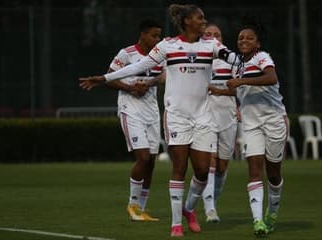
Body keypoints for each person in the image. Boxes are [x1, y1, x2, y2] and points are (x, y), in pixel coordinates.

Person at [79, 4, 242, 237]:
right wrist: (103, 78)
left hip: (203, 116)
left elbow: (232, 58)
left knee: (204, 171)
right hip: (176, 117)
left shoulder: (211, 45)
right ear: (187, 21)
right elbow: (137, 66)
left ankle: (188, 210)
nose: (204, 21)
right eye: (200, 18)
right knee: (178, 168)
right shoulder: (168, 45)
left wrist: (245, 64)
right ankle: (176, 225)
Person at [82, 19, 163, 221]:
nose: (157, 39)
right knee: (143, 158)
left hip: (152, 111)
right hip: (130, 110)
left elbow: (163, 76)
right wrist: (131, 88)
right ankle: (132, 206)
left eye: (159, 36)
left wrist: (149, 82)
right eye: (154, 35)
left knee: (151, 162)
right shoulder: (126, 53)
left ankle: (141, 209)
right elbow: (110, 77)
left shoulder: (159, 55)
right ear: (143, 34)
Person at [226, 17, 287, 237]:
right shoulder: (238, 65)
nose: (244, 40)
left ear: (257, 43)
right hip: (251, 126)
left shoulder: (263, 57)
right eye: (241, 37)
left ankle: (272, 212)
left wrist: (241, 82)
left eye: (249, 38)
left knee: (273, 174)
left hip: (273, 121)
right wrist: (220, 91)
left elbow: (270, 78)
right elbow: (238, 90)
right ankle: (258, 221)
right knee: (254, 171)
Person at [201, 23, 237, 223]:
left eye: (217, 34)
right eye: (208, 34)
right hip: (205, 117)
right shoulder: (197, 60)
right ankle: (210, 209)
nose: (213, 38)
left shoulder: (231, 60)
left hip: (227, 117)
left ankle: (211, 200)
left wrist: (220, 91)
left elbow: (239, 88)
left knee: (222, 166)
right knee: (211, 161)